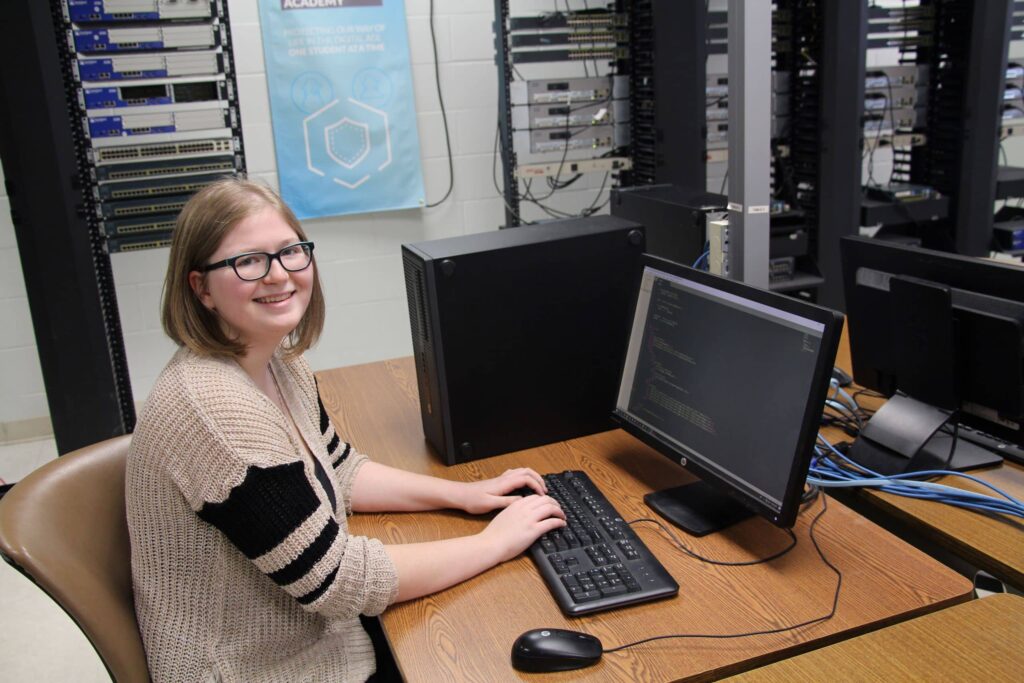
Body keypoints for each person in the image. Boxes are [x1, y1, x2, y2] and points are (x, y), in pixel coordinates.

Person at [126, 179, 566, 682]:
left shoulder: (278, 362)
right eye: (248, 261)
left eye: (290, 251)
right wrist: (494, 543)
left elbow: (340, 467)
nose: (278, 276)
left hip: (308, 632)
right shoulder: (215, 411)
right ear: (200, 286)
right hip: (254, 668)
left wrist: (463, 495)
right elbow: (334, 581)